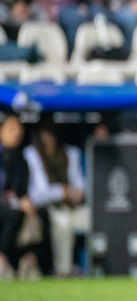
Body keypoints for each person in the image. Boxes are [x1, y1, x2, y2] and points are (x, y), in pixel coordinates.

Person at [24, 117, 88, 277]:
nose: (50, 137)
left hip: (71, 206)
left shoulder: (69, 152)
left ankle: (99, 269)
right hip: (48, 208)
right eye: (46, 133)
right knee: (63, 223)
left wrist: (78, 192)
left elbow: (79, 183)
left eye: (53, 133)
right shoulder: (32, 154)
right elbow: (37, 193)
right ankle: (63, 270)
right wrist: (61, 191)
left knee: (94, 219)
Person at [0, 116, 33, 281]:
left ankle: (29, 261)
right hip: (4, 206)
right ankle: (2, 259)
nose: (16, 133)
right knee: (13, 214)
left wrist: (25, 202)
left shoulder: (22, 160)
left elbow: (23, 191)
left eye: (19, 129)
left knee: (37, 215)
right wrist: (18, 203)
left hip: (14, 206)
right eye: (11, 128)